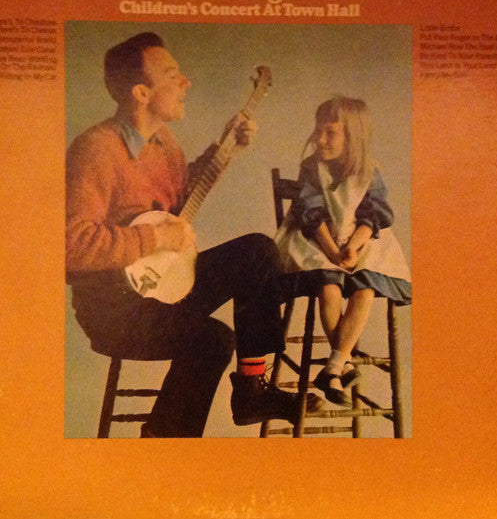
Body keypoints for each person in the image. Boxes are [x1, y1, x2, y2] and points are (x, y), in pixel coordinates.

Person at [65, 32, 321, 438]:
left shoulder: (164, 144)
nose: (186, 82)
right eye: (172, 75)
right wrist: (155, 241)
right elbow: (72, 245)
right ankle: (164, 445)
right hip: (114, 308)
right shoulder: (95, 149)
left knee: (257, 251)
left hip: (166, 282)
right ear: (141, 93)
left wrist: (226, 149)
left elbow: (178, 207)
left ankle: (251, 390)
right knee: (213, 340)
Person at [275, 95, 411, 406]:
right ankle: (341, 363)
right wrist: (333, 251)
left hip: (359, 239)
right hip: (318, 237)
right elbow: (310, 211)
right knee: (329, 285)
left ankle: (335, 365)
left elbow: (374, 214)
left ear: (353, 139)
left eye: (330, 133)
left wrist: (352, 246)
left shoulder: (369, 171)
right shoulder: (312, 168)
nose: (320, 139)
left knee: (365, 288)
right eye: (318, 131)